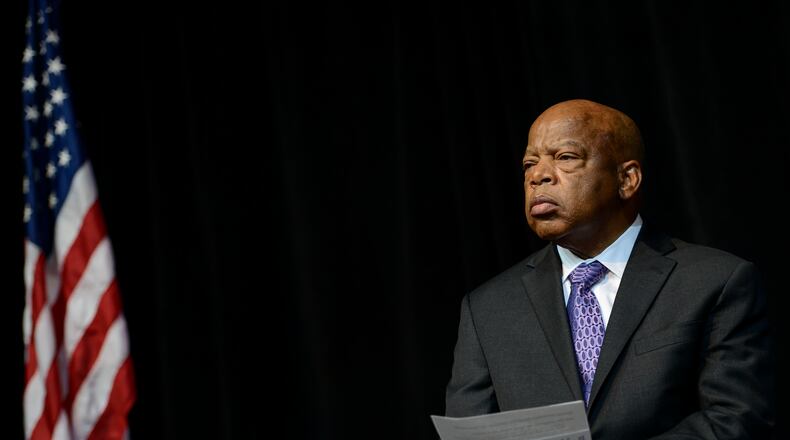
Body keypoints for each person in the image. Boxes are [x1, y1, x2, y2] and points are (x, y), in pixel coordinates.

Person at [444, 99, 774, 438]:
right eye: (529, 163)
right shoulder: (488, 308)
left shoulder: (714, 282)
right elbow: (472, 433)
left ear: (627, 179)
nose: (538, 176)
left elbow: (737, 419)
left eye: (565, 157)